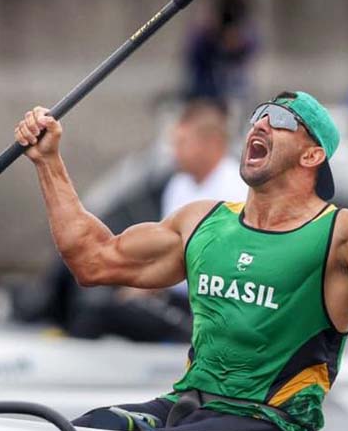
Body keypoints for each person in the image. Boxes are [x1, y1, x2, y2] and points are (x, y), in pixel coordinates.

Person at [14, 91, 348, 431]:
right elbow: (93, 260)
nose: (260, 124)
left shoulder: (341, 236)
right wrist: (49, 163)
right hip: (186, 408)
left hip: (267, 425)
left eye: (280, 121)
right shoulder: (202, 223)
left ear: (311, 157)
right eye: (258, 115)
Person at [65, 99, 246, 342]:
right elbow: (166, 249)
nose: (174, 152)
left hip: (209, 309)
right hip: (172, 295)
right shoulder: (178, 185)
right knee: (91, 301)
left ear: (210, 144)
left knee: (102, 315)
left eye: (182, 143)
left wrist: (149, 286)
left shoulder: (236, 188)